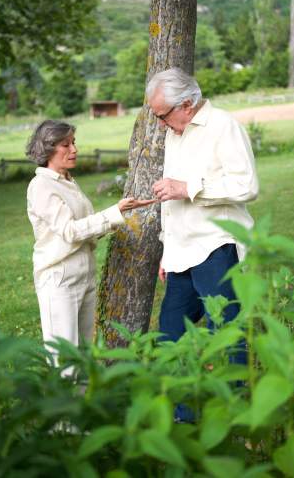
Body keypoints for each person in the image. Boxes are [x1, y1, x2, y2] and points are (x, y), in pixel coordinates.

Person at [147, 68, 259, 360]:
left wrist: (188, 188)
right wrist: (167, 250)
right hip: (180, 254)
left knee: (226, 333)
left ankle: (235, 402)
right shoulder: (175, 133)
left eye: (162, 115)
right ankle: (183, 407)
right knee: (171, 335)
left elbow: (246, 185)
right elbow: (172, 200)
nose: (160, 124)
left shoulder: (223, 125)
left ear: (186, 104)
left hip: (216, 248)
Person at [26, 120, 155, 365]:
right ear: (48, 149)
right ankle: (63, 402)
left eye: (74, 143)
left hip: (84, 276)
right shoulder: (41, 186)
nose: (74, 149)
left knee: (84, 355)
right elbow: (70, 232)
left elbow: (86, 230)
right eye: (66, 145)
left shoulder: (67, 182)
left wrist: (121, 212)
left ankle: (84, 402)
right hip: (59, 279)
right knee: (64, 358)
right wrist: (112, 213)